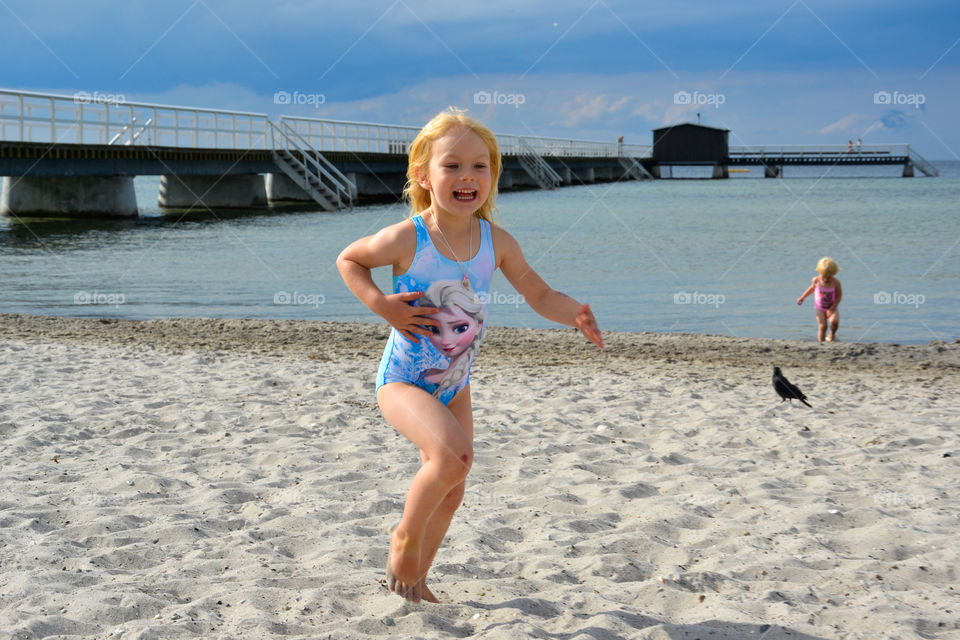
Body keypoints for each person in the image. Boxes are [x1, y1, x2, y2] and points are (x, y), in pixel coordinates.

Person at [336, 108, 604, 604]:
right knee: (452, 458)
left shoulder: (495, 243)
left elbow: (539, 295)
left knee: (454, 486)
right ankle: (403, 540)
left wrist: (575, 314)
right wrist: (382, 305)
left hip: (454, 382)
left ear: (493, 177)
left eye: (480, 167)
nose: (467, 177)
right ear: (423, 175)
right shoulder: (407, 237)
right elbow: (349, 260)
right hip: (403, 381)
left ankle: (415, 581)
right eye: (452, 165)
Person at [797, 257, 842, 342]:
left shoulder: (836, 282)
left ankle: (832, 334)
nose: (826, 279)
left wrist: (832, 309)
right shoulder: (816, 280)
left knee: (834, 322)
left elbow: (839, 296)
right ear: (819, 272)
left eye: (829, 277)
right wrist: (802, 297)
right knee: (823, 326)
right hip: (820, 309)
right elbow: (811, 289)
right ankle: (821, 343)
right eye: (824, 276)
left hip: (832, 307)